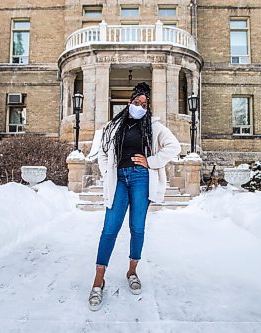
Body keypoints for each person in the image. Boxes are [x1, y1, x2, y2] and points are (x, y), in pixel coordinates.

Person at [88, 82, 181, 311]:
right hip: (119, 178)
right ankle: (98, 280)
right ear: (129, 102)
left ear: (148, 107)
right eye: (136, 102)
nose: (139, 106)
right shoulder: (114, 126)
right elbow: (102, 151)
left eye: (144, 104)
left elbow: (174, 147)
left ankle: (132, 271)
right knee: (110, 228)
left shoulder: (154, 127)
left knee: (137, 227)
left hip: (141, 178)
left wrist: (150, 162)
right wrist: (107, 172)